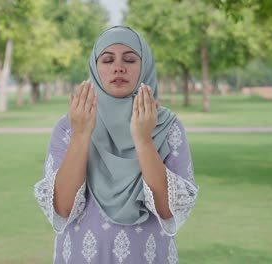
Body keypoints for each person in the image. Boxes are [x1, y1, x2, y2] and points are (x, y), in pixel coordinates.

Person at [34, 26, 199, 263]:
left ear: (146, 67)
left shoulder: (167, 127)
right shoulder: (70, 125)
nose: (118, 67)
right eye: (107, 59)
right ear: (94, 67)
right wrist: (81, 134)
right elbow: (62, 209)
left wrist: (143, 139)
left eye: (130, 59)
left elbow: (169, 212)